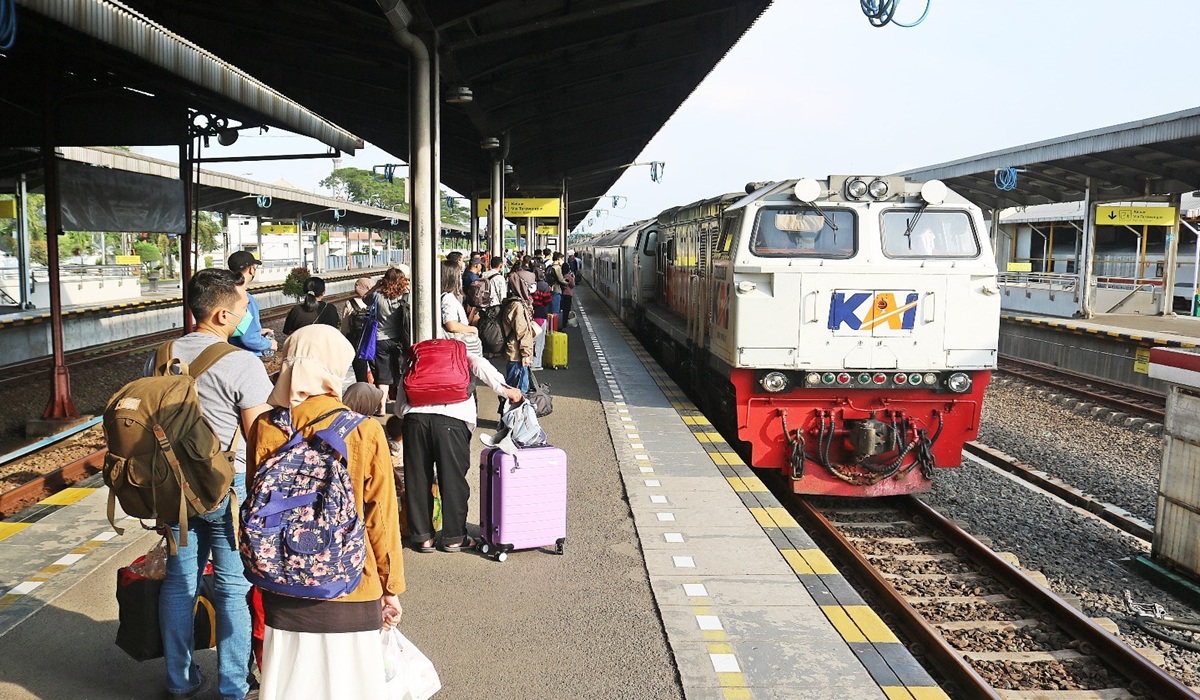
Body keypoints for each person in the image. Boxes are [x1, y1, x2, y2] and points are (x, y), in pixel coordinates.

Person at [246, 325, 405, 700]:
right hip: (352, 584)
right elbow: (381, 519)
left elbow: (258, 504)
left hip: (282, 584)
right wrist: (391, 587)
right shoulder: (364, 430)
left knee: (292, 684)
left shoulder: (265, 427)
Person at [145, 268, 274, 700]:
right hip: (226, 487)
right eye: (242, 310)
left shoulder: (160, 355)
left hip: (172, 486)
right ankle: (233, 686)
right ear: (221, 315)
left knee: (179, 583)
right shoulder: (241, 362)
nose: (246, 318)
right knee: (233, 587)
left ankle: (180, 681)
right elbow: (259, 437)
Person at [401, 345, 525, 553]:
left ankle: (423, 538)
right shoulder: (460, 353)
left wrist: (403, 413)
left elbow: (404, 385)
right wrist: (507, 390)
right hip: (452, 419)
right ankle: (454, 538)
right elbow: (481, 366)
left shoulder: (420, 358)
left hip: (414, 419)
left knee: (417, 478)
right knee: (453, 479)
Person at [375, 267, 413, 414]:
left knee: (382, 375)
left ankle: (381, 407)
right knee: (401, 371)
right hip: (399, 339)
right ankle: (401, 404)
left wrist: (376, 286)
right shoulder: (405, 296)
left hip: (380, 339)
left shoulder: (378, 297)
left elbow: (364, 297)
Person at [227, 251, 277, 357]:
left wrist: (258, 331)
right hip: (246, 357)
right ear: (251, 269)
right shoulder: (246, 299)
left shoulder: (225, 294)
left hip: (227, 353)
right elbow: (249, 339)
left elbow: (237, 329)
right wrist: (269, 344)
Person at [500, 269, 537, 394]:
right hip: (517, 354)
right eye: (529, 285)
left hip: (517, 352)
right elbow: (522, 331)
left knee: (515, 388)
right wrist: (526, 353)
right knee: (518, 390)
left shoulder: (515, 302)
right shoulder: (517, 305)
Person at [439, 258, 481, 356]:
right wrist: (472, 329)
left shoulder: (441, 296)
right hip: (460, 345)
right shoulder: (448, 298)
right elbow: (452, 325)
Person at [340, 277, 376, 383]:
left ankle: (363, 390)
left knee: (360, 374)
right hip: (373, 340)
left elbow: (345, 326)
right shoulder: (375, 301)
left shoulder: (349, 303)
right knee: (377, 372)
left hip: (356, 342)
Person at [546, 252, 569, 326]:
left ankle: (549, 326)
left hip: (549, 289)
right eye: (562, 259)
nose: (562, 261)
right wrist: (567, 282)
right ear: (558, 259)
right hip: (556, 290)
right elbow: (560, 279)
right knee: (555, 310)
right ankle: (555, 327)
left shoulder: (550, 266)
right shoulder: (557, 267)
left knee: (549, 310)